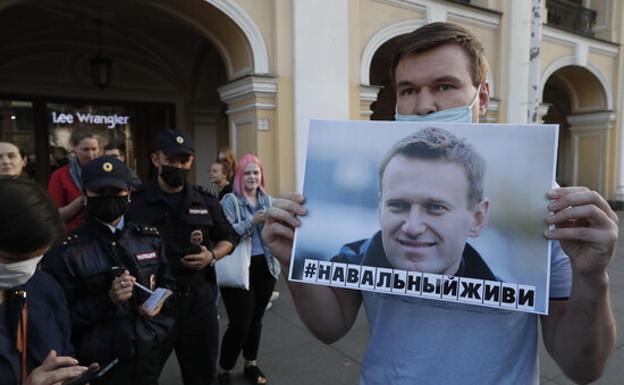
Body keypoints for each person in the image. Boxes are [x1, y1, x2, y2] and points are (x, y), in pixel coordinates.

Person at [261, 22, 618, 385]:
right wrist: (295, 261)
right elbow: (331, 328)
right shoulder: (358, 252)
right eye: (408, 90)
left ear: (481, 97)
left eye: (445, 86)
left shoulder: (548, 206)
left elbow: (583, 368)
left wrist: (592, 278)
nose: (424, 105)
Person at [42, 156, 175, 385]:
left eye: (116, 191)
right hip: (99, 361)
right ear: (85, 194)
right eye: (99, 191)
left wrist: (159, 306)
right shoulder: (66, 251)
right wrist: (108, 300)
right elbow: (59, 317)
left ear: (129, 193)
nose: (108, 198)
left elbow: (168, 281)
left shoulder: (148, 238)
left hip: (148, 351)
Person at [130, 129, 238, 385]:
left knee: (202, 377)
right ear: (156, 159)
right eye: (171, 160)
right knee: (142, 376)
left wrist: (211, 255)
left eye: (184, 161)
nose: (178, 166)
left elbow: (230, 238)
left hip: (198, 304)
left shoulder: (205, 200)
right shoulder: (136, 203)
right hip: (153, 306)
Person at [332, 127, 495, 281]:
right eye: (398, 205)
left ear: (477, 218)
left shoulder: (509, 308)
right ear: (380, 208)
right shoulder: (334, 286)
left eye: (435, 208)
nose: (412, 228)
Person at [0, 176, 91, 385]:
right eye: (14, 259)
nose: (23, 270)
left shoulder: (45, 288)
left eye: (36, 258)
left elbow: (63, 348)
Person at [217, 154, 280, 385]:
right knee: (240, 323)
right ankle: (224, 369)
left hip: (266, 266)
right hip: (238, 268)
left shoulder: (269, 201)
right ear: (239, 176)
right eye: (248, 172)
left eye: (256, 172)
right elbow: (227, 233)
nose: (253, 177)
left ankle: (250, 364)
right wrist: (252, 222)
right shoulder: (230, 201)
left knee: (256, 319)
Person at [48, 129, 100, 232]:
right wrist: (82, 200)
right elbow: (55, 216)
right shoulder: (59, 176)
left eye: (94, 149)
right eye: (85, 150)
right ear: (74, 149)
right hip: (73, 236)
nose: (91, 154)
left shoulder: (107, 172)